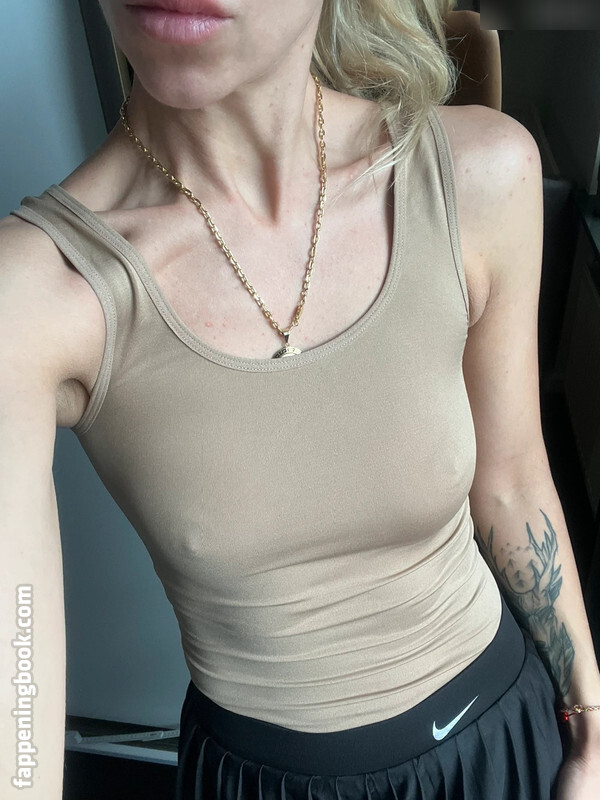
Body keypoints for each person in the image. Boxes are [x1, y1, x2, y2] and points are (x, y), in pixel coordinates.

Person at [1, 1, 599, 798]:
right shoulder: (38, 294)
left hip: (505, 740)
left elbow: (514, 480)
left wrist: (590, 717)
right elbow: (17, 696)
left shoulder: (481, 174)